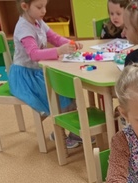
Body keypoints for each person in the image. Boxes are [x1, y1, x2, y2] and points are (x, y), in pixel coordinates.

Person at [9, 0, 84, 149]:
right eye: (39, 7)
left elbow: (54, 38)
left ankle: (74, 131)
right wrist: (59, 51)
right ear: (25, 6)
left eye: (45, 6)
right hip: (25, 77)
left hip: (37, 70)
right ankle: (60, 133)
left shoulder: (38, 21)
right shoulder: (24, 28)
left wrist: (70, 44)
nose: (44, 11)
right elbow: (34, 54)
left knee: (67, 85)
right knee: (59, 93)